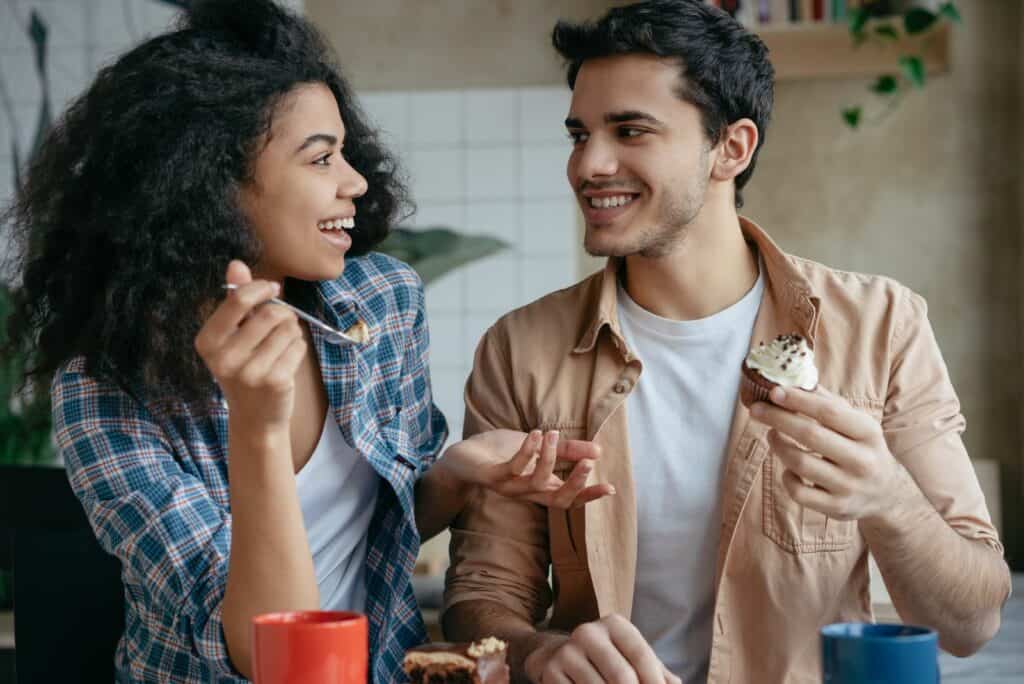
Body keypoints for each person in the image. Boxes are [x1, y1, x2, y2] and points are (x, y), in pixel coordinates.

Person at [1, 1, 611, 681]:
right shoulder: (104, 390)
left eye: (345, 152)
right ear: (207, 187)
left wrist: (457, 472)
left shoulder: (382, 302)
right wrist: (258, 429)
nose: (354, 181)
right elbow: (264, 655)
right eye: (321, 158)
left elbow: (375, 531)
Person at [441, 1, 1012, 682]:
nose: (589, 164)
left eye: (630, 130)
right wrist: (537, 653)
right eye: (579, 134)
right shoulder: (519, 349)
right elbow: (483, 596)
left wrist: (888, 499)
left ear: (732, 148)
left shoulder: (881, 326)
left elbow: (971, 624)